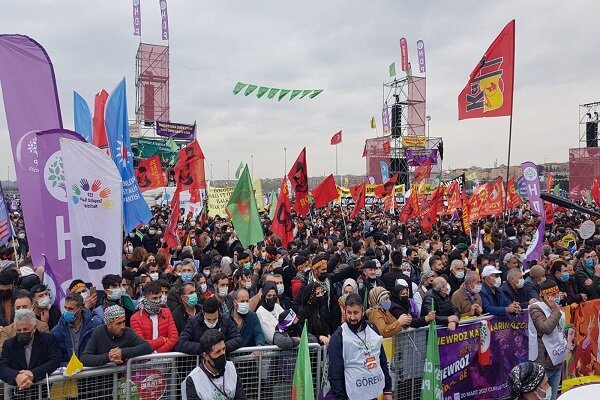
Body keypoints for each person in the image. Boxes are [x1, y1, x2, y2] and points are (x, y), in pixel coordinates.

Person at [328, 293, 393, 400]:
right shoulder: (339, 337)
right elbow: (335, 374)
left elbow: (382, 360)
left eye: (356, 313)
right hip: (352, 395)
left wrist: (387, 390)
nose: (352, 317)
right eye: (349, 312)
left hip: (373, 393)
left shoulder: (372, 329)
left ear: (362, 311)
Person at [0, 309, 61, 392]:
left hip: (42, 392)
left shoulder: (48, 340)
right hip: (18, 393)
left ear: (34, 328)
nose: (22, 332)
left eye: (25, 329)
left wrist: (33, 374)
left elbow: (54, 361)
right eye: (19, 330)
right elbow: (2, 366)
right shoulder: (9, 344)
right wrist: (17, 376)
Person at [527, 280, 567, 400]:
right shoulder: (535, 308)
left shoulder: (557, 307)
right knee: (543, 397)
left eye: (557, 293)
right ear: (545, 296)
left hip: (557, 361)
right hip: (543, 362)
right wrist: (555, 311)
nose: (557, 296)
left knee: (553, 397)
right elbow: (546, 328)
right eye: (554, 294)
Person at [182, 329, 246, 399]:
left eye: (224, 349)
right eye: (218, 352)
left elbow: (241, 397)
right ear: (206, 356)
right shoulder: (193, 380)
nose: (222, 354)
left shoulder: (231, 368)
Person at [81, 305, 153, 367]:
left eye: (124, 322)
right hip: (103, 380)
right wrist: (108, 357)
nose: (122, 326)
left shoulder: (127, 332)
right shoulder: (99, 332)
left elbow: (147, 347)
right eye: (118, 323)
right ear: (109, 324)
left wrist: (122, 352)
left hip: (123, 379)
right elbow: (85, 358)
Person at [175, 297, 242, 355]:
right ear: (203, 313)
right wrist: (205, 348)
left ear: (218, 312)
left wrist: (221, 347)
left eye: (215, 319)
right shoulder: (193, 322)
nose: (212, 322)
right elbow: (181, 344)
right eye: (209, 319)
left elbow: (238, 339)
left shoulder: (226, 320)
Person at [50, 292, 103, 365]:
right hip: (69, 374)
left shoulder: (95, 325)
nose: (67, 311)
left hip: (91, 371)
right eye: (65, 308)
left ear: (80, 309)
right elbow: (56, 359)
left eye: (70, 308)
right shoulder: (56, 331)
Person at [130, 281, 179, 353]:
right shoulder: (135, 318)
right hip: (144, 360)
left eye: (160, 297)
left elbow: (174, 338)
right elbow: (140, 344)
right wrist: (162, 340)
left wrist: (156, 353)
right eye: (154, 298)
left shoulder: (167, 312)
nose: (158, 301)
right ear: (145, 298)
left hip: (164, 359)